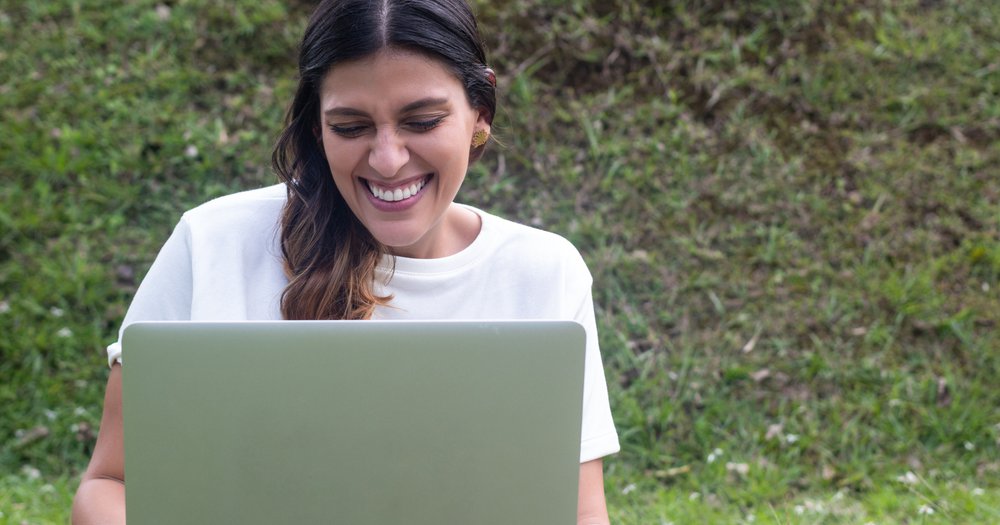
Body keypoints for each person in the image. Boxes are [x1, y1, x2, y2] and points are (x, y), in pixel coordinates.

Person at [71, 0, 620, 523]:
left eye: (422, 120)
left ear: (481, 109)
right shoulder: (214, 242)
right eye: (351, 127)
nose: (387, 159)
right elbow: (108, 487)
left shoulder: (544, 272)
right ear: (317, 125)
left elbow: (579, 513)